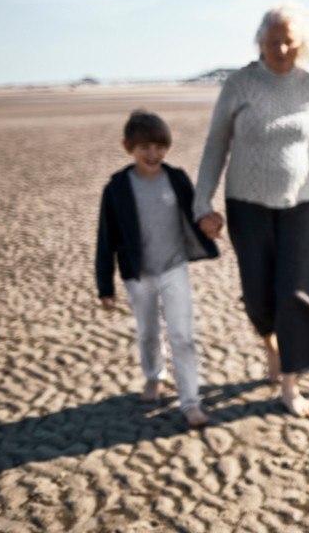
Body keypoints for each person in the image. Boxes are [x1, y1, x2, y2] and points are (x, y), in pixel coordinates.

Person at [194, 3, 309, 417]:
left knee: (295, 294)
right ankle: (271, 345)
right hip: (247, 205)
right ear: (259, 41)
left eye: (288, 41)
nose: (280, 48)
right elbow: (215, 145)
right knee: (259, 295)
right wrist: (201, 201)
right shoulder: (240, 85)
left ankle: (290, 384)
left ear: (303, 44)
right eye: (272, 40)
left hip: (302, 205)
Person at [95, 110, 217, 428]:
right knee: (148, 331)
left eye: (160, 147)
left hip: (174, 268)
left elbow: (196, 213)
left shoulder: (175, 178)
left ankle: (190, 402)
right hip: (138, 274)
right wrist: (105, 287)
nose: (153, 154)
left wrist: (210, 225)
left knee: (182, 336)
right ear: (128, 147)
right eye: (145, 147)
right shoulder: (117, 188)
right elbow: (105, 239)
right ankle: (154, 376)